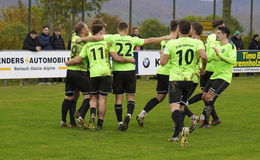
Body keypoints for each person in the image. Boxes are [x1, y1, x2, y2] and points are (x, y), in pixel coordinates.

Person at [77, 22, 173, 131]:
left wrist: (82, 39)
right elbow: (150, 40)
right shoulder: (132, 39)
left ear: (118, 29)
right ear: (127, 30)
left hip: (117, 71)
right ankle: (128, 115)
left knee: (118, 98)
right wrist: (167, 37)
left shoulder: (112, 37)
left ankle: (120, 122)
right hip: (130, 71)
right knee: (130, 97)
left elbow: (95, 38)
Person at [65, 23, 135, 130]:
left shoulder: (87, 45)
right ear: (101, 32)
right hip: (105, 73)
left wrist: (68, 63)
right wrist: (129, 59)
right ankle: (99, 124)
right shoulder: (107, 42)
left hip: (93, 73)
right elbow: (116, 57)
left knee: (93, 98)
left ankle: (92, 114)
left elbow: (78, 59)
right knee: (102, 99)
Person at [160, 20, 207, 146]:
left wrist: (163, 56)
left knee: (174, 108)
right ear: (190, 30)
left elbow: (163, 63)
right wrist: (203, 68)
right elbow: (204, 57)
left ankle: (182, 129)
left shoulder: (171, 43)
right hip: (190, 80)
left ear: (179, 30)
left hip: (176, 79)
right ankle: (175, 136)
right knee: (181, 108)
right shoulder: (197, 42)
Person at [135, 20, 179, 127]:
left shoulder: (164, 39)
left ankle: (141, 114)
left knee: (159, 97)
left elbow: (164, 52)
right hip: (171, 73)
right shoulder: (176, 41)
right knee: (176, 99)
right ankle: (186, 120)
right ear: (178, 28)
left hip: (161, 71)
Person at [186, 19, 225, 125]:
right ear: (218, 27)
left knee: (207, 96)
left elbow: (209, 54)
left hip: (208, 69)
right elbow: (210, 53)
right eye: (223, 25)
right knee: (207, 97)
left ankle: (203, 118)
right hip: (209, 69)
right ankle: (214, 118)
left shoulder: (211, 37)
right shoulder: (213, 37)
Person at [201, 26, 237, 128]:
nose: (216, 35)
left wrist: (220, 55)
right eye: (217, 33)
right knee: (204, 97)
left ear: (225, 34)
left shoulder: (231, 46)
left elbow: (233, 61)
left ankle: (206, 123)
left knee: (209, 97)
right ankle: (216, 119)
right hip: (215, 76)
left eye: (219, 33)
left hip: (224, 77)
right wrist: (201, 63)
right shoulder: (218, 47)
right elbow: (209, 58)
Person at [59, 22, 91, 128]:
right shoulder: (87, 41)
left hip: (70, 72)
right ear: (82, 30)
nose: (88, 29)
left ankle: (66, 121)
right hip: (80, 71)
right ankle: (79, 114)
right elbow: (96, 37)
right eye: (86, 27)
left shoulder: (74, 38)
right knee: (89, 96)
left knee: (70, 96)